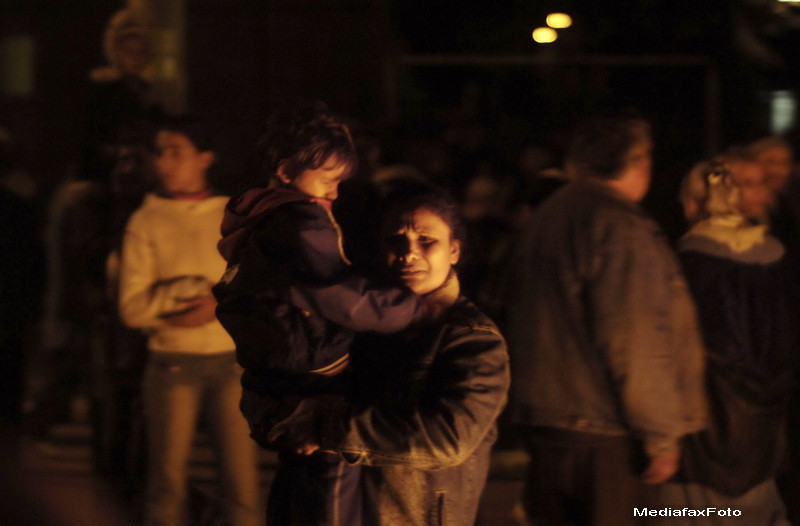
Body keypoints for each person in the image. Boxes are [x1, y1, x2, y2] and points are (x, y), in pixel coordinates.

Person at [211, 103, 430, 525]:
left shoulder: (261, 217)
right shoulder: (301, 222)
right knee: (332, 479)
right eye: (328, 180)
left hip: (283, 373)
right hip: (317, 373)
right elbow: (341, 296)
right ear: (286, 171)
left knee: (296, 487)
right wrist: (409, 308)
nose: (334, 193)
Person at [504, 114, 708, 525]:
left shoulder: (549, 216)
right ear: (638, 161)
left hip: (548, 420)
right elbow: (635, 337)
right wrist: (661, 436)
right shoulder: (619, 226)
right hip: (603, 432)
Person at [271, 182, 511, 526]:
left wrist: (325, 426)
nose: (408, 253)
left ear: (454, 250)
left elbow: (447, 440)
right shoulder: (365, 323)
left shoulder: (472, 338)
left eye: (426, 240)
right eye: (395, 240)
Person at [118, 115, 263, 526]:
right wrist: (185, 292)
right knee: (167, 485)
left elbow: (254, 286)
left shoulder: (230, 215)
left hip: (230, 363)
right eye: (160, 152)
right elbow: (132, 307)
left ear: (204, 158)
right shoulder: (147, 219)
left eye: (176, 152)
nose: (164, 162)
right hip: (172, 364)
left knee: (242, 487)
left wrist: (215, 301)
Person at [655, 158, 798, 525]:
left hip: (699, 441)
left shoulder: (680, 268)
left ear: (692, 205)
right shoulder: (779, 261)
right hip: (764, 437)